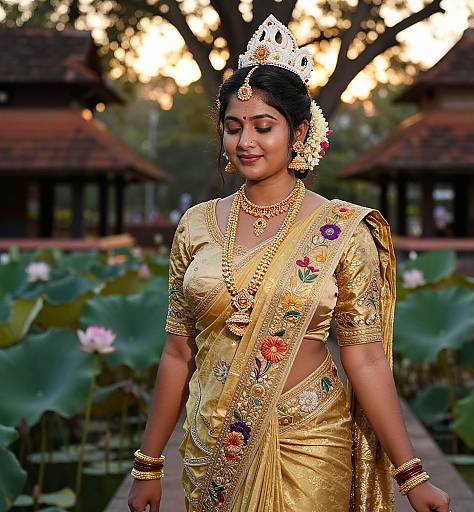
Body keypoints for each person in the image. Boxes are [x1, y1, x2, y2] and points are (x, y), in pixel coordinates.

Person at [127, 14, 451, 512]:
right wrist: (149, 464)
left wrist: (412, 475)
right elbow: (177, 353)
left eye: (264, 126)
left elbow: (364, 358)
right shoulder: (195, 225)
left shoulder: (340, 230)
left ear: (299, 132)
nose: (246, 142)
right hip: (213, 443)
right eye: (233, 128)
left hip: (310, 442)